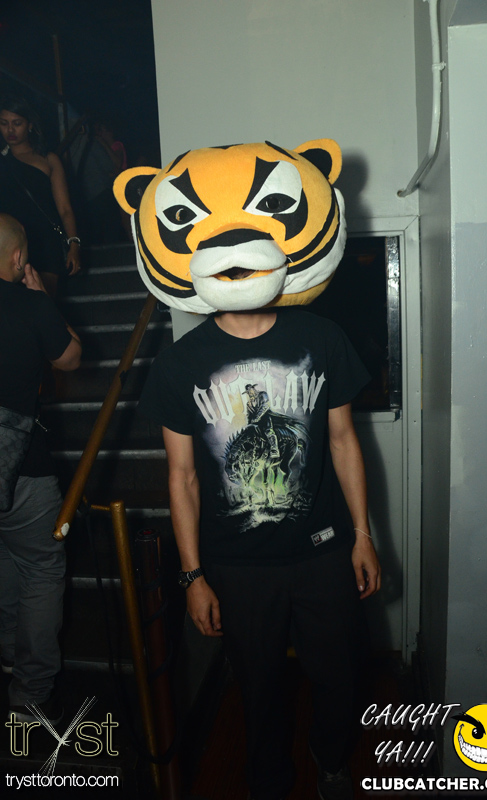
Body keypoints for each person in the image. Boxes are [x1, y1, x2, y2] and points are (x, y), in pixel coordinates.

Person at [139, 305, 381, 800]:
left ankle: (331, 760)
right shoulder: (180, 362)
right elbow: (182, 477)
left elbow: (342, 440)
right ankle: (268, 783)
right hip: (237, 567)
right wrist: (192, 576)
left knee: (340, 676)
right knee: (258, 689)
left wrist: (363, 534)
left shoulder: (321, 336)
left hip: (322, 552)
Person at [0, 213, 81, 724]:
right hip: (21, 467)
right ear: (17, 258)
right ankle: (30, 694)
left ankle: (10, 651)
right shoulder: (28, 304)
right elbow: (71, 358)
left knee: (5, 559)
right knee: (41, 568)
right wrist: (42, 299)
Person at [0, 95, 81, 297]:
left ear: (29, 125)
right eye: (4, 123)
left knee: (45, 301)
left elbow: (65, 209)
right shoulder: (3, 160)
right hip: (8, 243)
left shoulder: (48, 160)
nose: (10, 130)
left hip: (44, 242)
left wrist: (74, 244)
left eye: (17, 123)